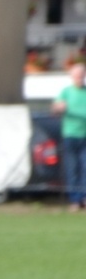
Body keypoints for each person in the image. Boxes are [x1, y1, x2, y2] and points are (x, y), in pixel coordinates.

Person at [50, 60, 86, 211]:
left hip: (84, 135)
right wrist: (59, 108)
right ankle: (74, 199)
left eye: (81, 75)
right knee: (72, 167)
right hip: (70, 135)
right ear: (72, 77)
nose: (79, 78)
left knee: (84, 167)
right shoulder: (66, 92)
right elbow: (55, 109)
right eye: (77, 75)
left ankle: (83, 196)